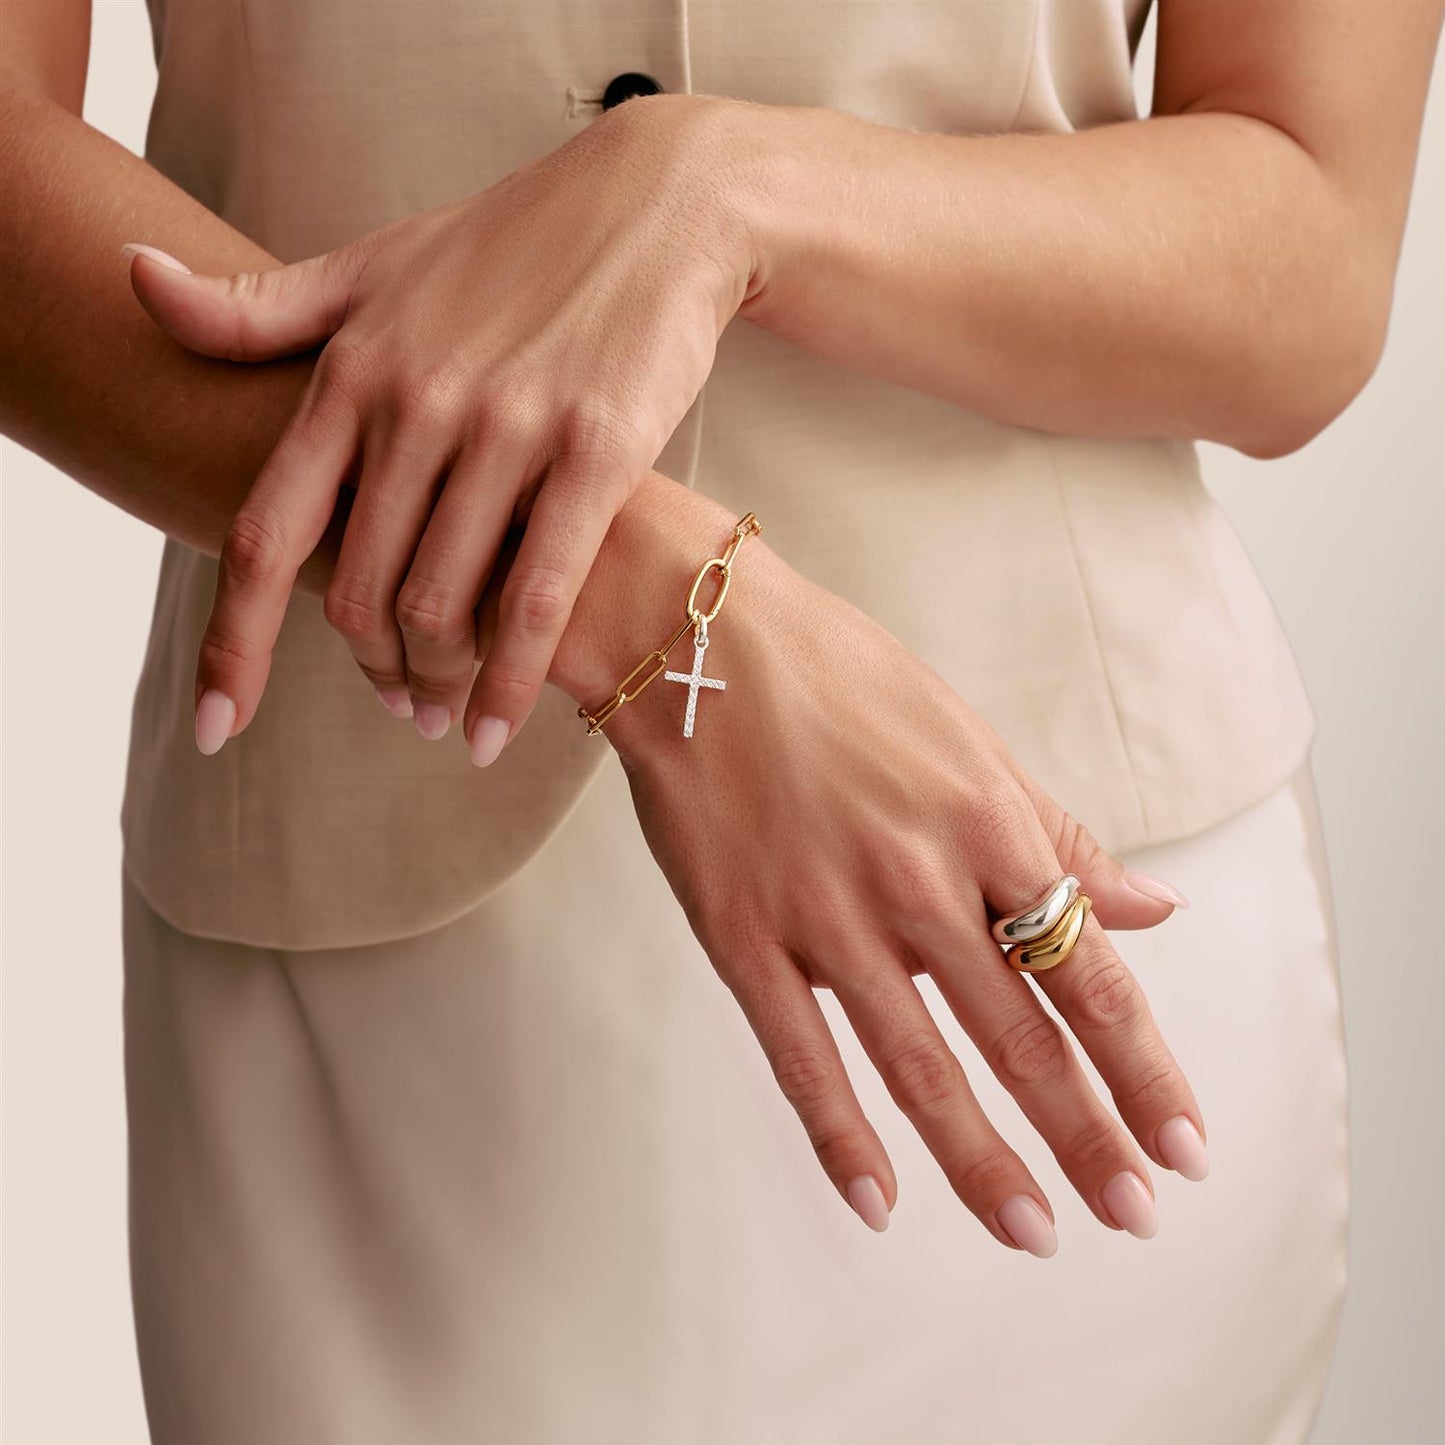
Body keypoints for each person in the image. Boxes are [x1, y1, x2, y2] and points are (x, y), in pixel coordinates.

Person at [3, 0, 1440, 1440]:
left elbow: (1307, 236)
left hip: (1051, 926)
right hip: (378, 1041)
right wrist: (636, 592)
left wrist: (730, 187)